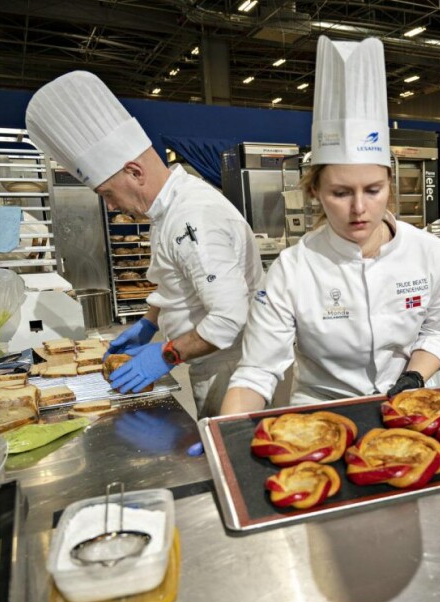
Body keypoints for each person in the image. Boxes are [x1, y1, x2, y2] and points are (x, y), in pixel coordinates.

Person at [220, 36, 440, 413]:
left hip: (411, 407)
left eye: (374, 189)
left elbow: (438, 330)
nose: (360, 208)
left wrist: (414, 377)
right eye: (341, 192)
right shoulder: (292, 269)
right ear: (314, 190)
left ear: (390, 185)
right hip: (324, 414)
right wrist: (226, 432)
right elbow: (257, 372)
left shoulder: (430, 252)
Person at [25, 72, 263, 419]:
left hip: (230, 367)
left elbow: (229, 318)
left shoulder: (193, 216)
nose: (109, 206)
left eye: (107, 193)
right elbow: (175, 279)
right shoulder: (166, 210)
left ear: (135, 172)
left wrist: (167, 355)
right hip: (208, 359)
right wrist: (149, 323)